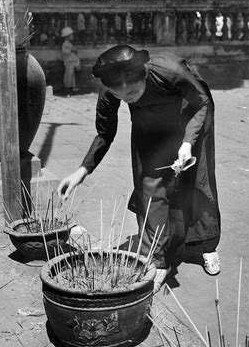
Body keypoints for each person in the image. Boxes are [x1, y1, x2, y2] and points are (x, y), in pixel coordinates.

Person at [57, 45, 221, 292]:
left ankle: (204, 246)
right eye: (121, 96)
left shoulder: (170, 71)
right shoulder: (111, 89)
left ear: (144, 75)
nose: (128, 98)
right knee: (150, 186)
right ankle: (157, 261)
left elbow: (201, 102)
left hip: (189, 115)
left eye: (133, 92)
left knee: (196, 180)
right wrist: (83, 170)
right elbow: (105, 131)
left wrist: (187, 143)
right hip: (149, 125)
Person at [60, 26, 80, 94]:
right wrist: (71, 50)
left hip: (72, 61)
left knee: (72, 75)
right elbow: (64, 51)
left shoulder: (69, 44)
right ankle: (67, 87)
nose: (72, 36)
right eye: (71, 35)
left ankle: (72, 86)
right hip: (68, 62)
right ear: (67, 36)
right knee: (68, 75)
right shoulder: (65, 44)